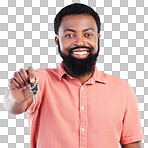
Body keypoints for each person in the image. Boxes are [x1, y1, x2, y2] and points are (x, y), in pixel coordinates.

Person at [4, 3, 144, 148]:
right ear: (57, 41)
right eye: (70, 35)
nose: (80, 42)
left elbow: (132, 144)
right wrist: (15, 98)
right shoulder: (41, 81)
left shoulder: (122, 89)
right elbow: (13, 106)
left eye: (88, 34)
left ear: (98, 38)